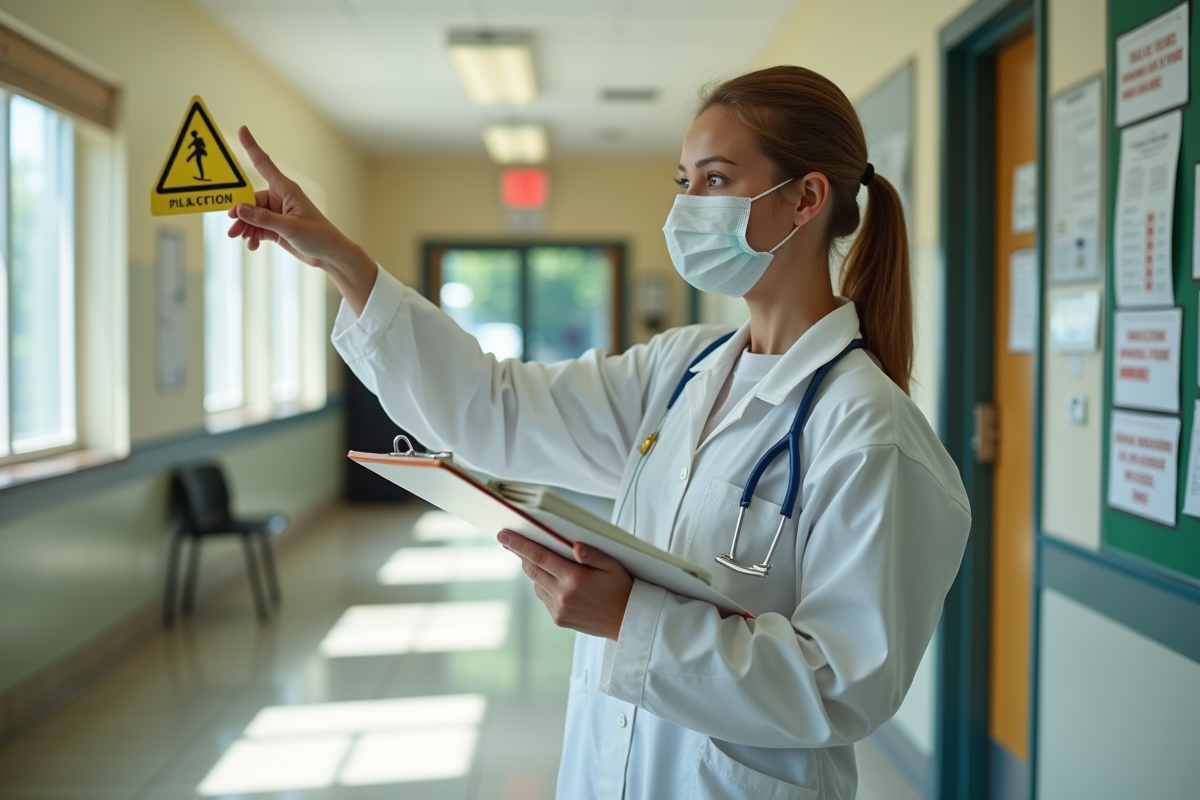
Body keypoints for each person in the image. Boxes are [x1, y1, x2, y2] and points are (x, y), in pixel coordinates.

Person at [227, 65, 971, 800]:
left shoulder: (871, 433)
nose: (687, 207)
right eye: (684, 182)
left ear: (806, 198)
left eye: (715, 180)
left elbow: (841, 689)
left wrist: (629, 619)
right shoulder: (681, 370)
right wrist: (348, 265)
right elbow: (495, 410)